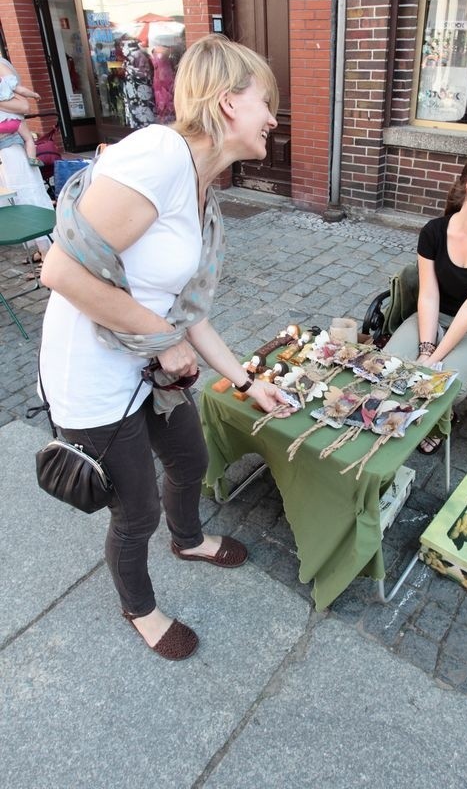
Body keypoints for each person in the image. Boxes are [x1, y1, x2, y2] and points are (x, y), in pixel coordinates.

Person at [39, 34, 294, 661]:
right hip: (94, 377)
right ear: (231, 102)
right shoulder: (157, 153)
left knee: (190, 460)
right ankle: (140, 608)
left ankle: (189, 540)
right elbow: (63, 273)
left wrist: (244, 380)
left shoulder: (201, 189)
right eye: (268, 101)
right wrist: (163, 340)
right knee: (135, 512)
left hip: (149, 368)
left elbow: (187, 313)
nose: (274, 117)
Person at [386, 148, 467, 454]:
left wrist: (433, 360)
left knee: (441, 386)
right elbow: (429, 294)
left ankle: (438, 420)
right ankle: (401, 417)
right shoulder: (434, 232)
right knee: (389, 369)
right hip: (432, 318)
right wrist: (425, 347)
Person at [0, 57, 54, 260]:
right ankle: (42, 250)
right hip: (5, 148)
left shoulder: (0, 65)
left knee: (25, 192)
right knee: (12, 197)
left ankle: (48, 250)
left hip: (11, 146)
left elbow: (23, 106)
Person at [0, 71, 44, 166]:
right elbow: (22, 91)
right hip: (14, 120)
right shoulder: (6, 81)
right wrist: (34, 94)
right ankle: (32, 158)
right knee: (28, 139)